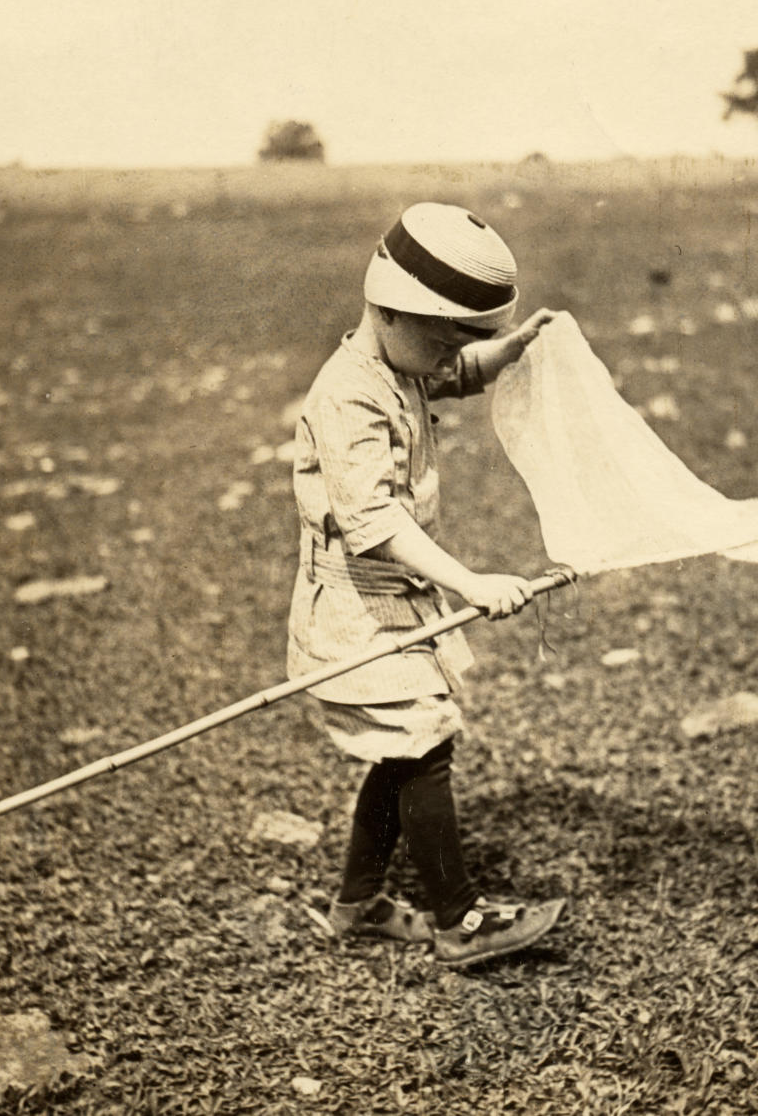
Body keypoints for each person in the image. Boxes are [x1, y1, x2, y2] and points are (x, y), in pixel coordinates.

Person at [287, 202, 564, 968]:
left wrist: (507, 349)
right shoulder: (349, 393)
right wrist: (470, 582)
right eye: (443, 337)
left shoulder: (398, 359)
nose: (450, 357)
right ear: (387, 309)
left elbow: (453, 372)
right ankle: (456, 920)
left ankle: (359, 903)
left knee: (402, 746)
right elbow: (372, 521)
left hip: (393, 599)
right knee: (422, 741)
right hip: (354, 605)